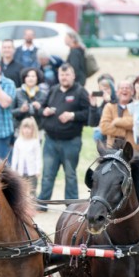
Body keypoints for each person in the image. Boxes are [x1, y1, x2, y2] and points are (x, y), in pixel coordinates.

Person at [38, 64, 89, 206]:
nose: (64, 77)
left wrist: (72, 115)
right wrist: (45, 111)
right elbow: (41, 107)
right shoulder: (53, 90)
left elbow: (88, 114)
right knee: (47, 174)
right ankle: (43, 202)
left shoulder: (80, 92)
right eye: (62, 75)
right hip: (50, 140)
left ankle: (72, 203)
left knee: (70, 174)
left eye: (67, 75)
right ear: (58, 76)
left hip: (71, 141)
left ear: (73, 76)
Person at [99, 80, 135, 150]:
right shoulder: (109, 106)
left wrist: (116, 121)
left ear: (132, 92)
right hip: (112, 149)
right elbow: (104, 127)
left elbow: (136, 123)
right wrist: (125, 132)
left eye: (127, 88)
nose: (124, 90)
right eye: (122, 88)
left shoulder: (137, 106)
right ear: (117, 92)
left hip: (131, 149)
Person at [11, 117, 41, 197]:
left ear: (33, 130)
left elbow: (38, 157)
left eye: (29, 128)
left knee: (32, 192)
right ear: (21, 129)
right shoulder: (18, 141)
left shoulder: (35, 142)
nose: (27, 131)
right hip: (20, 172)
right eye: (25, 128)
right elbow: (15, 156)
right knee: (21, 191)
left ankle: (33, 207)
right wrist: (13, 169)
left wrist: (38, 170)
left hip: (32, 172)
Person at [88, 74, 117, 144]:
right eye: (101, 90)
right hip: (105, 142)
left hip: (117, 139)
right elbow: (93, 124)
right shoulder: (103, 105)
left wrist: (110, 101)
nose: (104, 92)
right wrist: (93, 106)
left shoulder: (119, 100)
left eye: (107, 89)